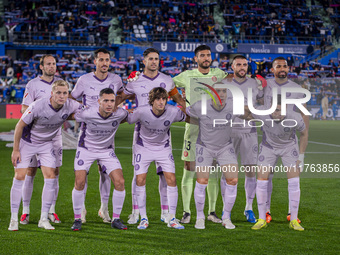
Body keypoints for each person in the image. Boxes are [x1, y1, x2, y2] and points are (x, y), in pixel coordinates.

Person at [116, 48, 186, 225]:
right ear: (144, 60)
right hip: (141, 133)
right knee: (138, 175)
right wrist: (106, 111)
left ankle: (165, 212)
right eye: (151, 59)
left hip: (162, 133)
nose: (154, 62)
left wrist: (188, 109)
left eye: (156, 59)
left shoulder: (167, 80)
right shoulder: (135, 80)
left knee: (165, 175)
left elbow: (178, 99)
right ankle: (135, 212)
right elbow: (120, 98)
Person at [9, 80, 80, 231]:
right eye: (58, 93)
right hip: (28, 142)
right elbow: (19, 125)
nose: (62, 96)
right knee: (20, 176)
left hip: (46, 144)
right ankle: (14, 219)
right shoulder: (38, 105)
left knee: (51, 176)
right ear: (52, 93)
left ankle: (43, 218)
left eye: (65, 93)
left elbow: (87, 110)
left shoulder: (71, 104)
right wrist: (16, 150)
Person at [172, 45, 228, 224]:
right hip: (194, 128)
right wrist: (180, 101)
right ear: (195, 59)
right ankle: (187, 212)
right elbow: (168, 85)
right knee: (189, 169)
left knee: (211, 171)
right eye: (202, 55)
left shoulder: (219, 74)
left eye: (208, 55)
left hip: (213, 131)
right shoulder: (186, 76)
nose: (206, 58)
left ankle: (211, 211)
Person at [70, 48, 124, 224]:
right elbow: (72, 98)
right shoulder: (84, 80)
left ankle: (104, 209)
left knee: (105, 173)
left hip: (107, 135)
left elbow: (123, 94)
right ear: (95, 62)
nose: (104, 63)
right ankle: (82, 210)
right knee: (82, 176)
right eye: (101, 60)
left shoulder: (116, 80)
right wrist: (84, 110)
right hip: (88, 133)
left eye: (107, 60)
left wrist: (116, 104)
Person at [186, 82, 248, 229]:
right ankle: (200, 216)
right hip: (205, 147)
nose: (221, 94)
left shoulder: (234, 106)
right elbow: (186, 112)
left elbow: (249, 114)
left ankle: (226, 217)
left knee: (232, 180)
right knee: (202, 180)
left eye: (224, 91)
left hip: (225, 147)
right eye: (217, 91)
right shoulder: (199, 105)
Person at [127, 87, 187, 230]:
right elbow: (126, 118)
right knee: (140, 180)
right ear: (152, 101)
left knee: (171, 179)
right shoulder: (141, 111)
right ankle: (143, 218)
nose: (161, 102)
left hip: (163, 148)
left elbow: (187, 116)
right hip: (143, 148)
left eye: (164, 99)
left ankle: (172, 218)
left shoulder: (173, 111)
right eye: (158, 99)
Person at [71, 88, 128, 231]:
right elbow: (69, 115)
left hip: (106, 150)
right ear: (99, 101)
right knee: (79, 182)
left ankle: (116, 218)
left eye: (112, 101)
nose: (109, 104)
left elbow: (135, 116)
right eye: (106, 101)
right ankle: (77, 218)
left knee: (120, 182)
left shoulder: (120, 113)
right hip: (86, 149)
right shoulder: (87, 113)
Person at [250, 97, 308, 231]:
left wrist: (302, 155)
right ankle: (261, 219)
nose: (278, 113)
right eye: (275, 110)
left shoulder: (294, 117)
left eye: (281, 110)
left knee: (294, 181)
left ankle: (293, 219)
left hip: (289, 147)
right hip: (268, 147)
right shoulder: (261, 113)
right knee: (261, 180)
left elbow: (304, 133)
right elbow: (245, 112)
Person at [263, 57, 310, 223]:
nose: (282, 69)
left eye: (284, 66)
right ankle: (266, 212)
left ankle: (292, 214)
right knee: (266, 176)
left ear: (288, 69)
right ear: (272, 69)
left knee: (294, 177)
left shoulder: (296, 89)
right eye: (278, 66)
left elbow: (304, 115)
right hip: (268, 140)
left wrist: (302, 155)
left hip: (289, 141)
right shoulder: (264, 86)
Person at [20, 54, 63, 225]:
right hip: (35, 136)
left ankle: (51, 211)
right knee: (30, 171)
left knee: (55, 173)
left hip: (55, 136)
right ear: (41, 67)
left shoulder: (60, 84)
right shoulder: (33, 84)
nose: (51, 67)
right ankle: (26, 211)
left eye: (53, 64)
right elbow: (24, 107)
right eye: (48, 64)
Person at [227, 55, 261, 223]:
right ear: (232, 67)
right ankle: (227, 210)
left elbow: (261, 105)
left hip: (250, 131)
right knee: (228, 172)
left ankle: (249, 208)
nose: (242, 67)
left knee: (250, 170)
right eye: (238, 64)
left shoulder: (255, 84)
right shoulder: (225, 84)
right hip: (229, 132)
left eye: (245, 65)